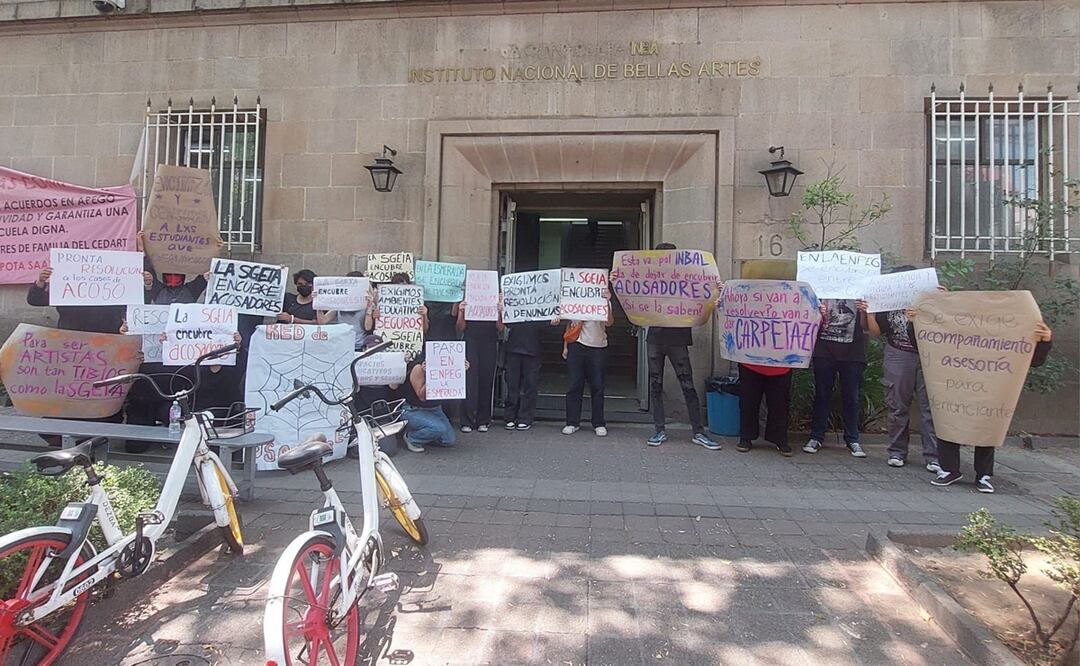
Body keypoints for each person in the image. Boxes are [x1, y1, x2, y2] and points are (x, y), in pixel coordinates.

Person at [931, 321, 1053, 494]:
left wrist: (1045, 341)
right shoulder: (956, 325)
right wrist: (915, 324)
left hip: (990, 385)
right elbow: (927, 343)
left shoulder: (1007, 332)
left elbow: (1031, 359)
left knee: (986, 425)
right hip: (956, 380)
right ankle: (949, 469)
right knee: (949, 418)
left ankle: (983, 474)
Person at [645, 242, 721, 451]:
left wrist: (716, 290)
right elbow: (631, 289)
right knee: (655, 385)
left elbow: (704, 294)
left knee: (687, 385)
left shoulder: (687, 279)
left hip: (676, 339)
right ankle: (660, 429)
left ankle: (698, 431)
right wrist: (617, 281)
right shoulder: (649, 278)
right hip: (657, 338)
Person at [866, 270, 944, 472]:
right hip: (898, 354)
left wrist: (945, 300)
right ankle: (897, 452)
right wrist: (870, 312)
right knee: (897, 404)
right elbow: (876, 332)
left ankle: (934, 456)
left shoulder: (930, 300)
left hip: (928, 354)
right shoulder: (887, 302)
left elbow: (945, 325)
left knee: (930, 406)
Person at [803, 298, 869, 458]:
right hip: (824, 350)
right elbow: (807, 317)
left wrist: (864, 311)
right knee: (822, 395)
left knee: (852, 397)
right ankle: (816, 437)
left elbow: (867, 327)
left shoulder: (862, 290)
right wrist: (818, 313)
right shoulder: (821, 289)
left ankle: (852, 439)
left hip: (853, 352)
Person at [558, 290, 615, 438]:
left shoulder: (603, 300)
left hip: (597, 347)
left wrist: (607, 301)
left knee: (597, 386)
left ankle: (599, 423)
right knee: (574, 385)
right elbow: (569, 325)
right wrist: (566, 346)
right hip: (576, 346)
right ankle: (572, 422)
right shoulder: (574, 300)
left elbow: (609, 322)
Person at [398, 350, 466, 452]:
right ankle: (412, 438)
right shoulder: (418, 368)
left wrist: (460, 369)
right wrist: (431, 376)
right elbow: (422, 397)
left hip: (435, 409)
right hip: (414, 410)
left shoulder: (447, 366)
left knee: (448, 440)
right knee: (438, 429)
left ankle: (426, 433)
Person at [455, 300, 499, 433]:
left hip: (489, 341)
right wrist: (461, 312)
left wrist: (499, 311)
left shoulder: (494, 298)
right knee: (468, 379)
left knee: (486, 379)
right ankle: (466, 420)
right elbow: (459, 328)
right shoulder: (468, 300)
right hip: (470, 340)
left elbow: (501, 327)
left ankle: (483, 420)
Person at [501, 317, 545, 432]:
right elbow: (507, 323)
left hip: (533, 348)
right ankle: (510, 416)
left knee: (530, 385)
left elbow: (545, 325)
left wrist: (553, 320)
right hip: (514, 347)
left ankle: (525, 418)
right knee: (512, 384)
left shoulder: (540, 308)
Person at [316, 271, 372, 350]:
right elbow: (322, 321)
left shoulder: (365, 303)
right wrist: (318, 304)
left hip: (359, 345)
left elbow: (368, 327)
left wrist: (369, 307)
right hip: (342, 345)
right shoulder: (340, 303)